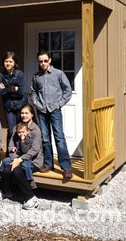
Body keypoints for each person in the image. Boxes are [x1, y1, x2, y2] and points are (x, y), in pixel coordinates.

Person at [30, 50, 73, 179]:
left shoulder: (59, 74)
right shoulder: (36, 76)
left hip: (55, 110)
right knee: (45, 138)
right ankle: (48, 164)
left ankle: (66, 167)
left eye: (45, 61)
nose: (43, 63)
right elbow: (33, 91)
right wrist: (36, 103)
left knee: (59, 137)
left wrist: (59, 104)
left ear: (49, 60)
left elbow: (68, 91)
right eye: (40, 61)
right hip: (42, 110)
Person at [0, 104, 43, 209]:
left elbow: (34, 150)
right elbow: (11, 146)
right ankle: (5, 192)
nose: (24, 115)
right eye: (22, 113)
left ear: (31, 115)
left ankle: (31, 198)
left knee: (17, 171)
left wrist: (20, 159)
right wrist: (15, 158)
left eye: (26, 113)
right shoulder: (17, 128)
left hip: (33, 161)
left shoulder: (36, 130)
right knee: (7, 169)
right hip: (17, 158)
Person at [0, 51, 27, 146]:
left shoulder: (20, 74)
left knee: (21, 130)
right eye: (6, 61)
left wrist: (6, 89)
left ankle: (20, 152)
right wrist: (12, 88)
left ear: (15, 63)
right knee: (11, 130)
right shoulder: (0, 76)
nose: (8, 63)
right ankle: (9, 154)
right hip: (9, 107)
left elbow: (21, 92)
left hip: (20, 106)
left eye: (10, 61)